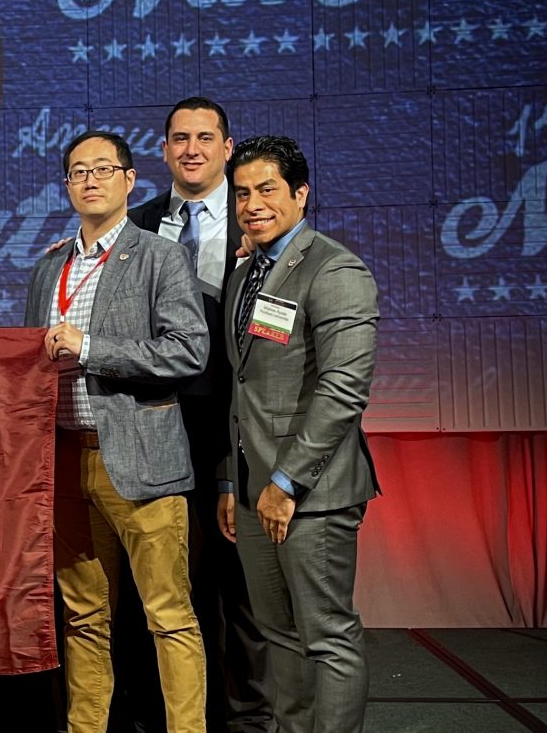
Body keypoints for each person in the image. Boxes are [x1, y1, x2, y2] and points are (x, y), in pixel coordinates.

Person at [22, 130, 209, 733]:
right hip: (63, 462)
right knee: (81, 617)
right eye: (79, 172)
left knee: (169, 615)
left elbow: (188, 352)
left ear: (130, 181)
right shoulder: (48, 265)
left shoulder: (160, 256)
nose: (91, 180)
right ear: (68, 186)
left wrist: (92, 348)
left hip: (139, 461)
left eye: (104, 169)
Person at [218, 135, 379, 733]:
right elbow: (245, 389)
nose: (253, 203)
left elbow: (343, 388)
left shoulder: (334, 268)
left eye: (267, 189)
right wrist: (232, 482)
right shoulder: (247, 271)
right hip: (254, 489)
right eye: (242, 192)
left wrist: (285, 483)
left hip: (311, 492)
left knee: (327, 637)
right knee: (278, 637)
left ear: (301, 193)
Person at [122, 97, 271, 732]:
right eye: (179, 138)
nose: (191, 149)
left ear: (227, 147)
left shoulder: (258, 226)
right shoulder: (136, 225)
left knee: (237, 592)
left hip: (232, 431)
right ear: (163, 151)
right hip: (153, 426)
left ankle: (242, 722)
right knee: (159, 591)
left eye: (205, 138)